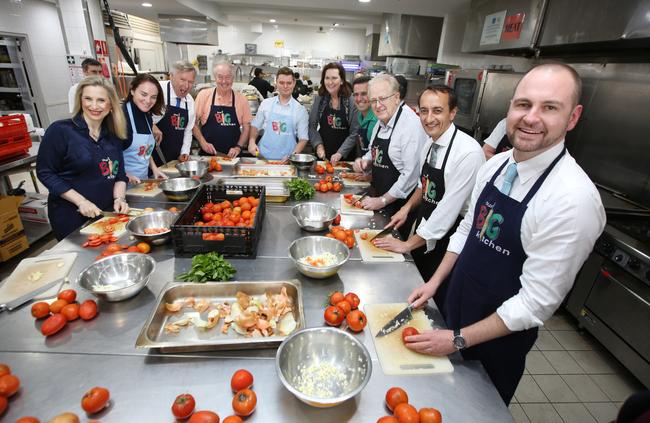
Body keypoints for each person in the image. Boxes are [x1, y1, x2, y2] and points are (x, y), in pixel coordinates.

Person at [405, 63, 606, 405]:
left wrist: (458, 339)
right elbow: (469, 228)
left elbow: (535, 304)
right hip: (454, 308)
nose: (531, 117)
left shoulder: (573, 200)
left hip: (495, 342)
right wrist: (436, 282)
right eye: (524, 104)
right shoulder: (496, 166)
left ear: (573, 118)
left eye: (550, 107)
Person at [374, 86, 485, 292]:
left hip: (451, 240)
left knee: (437, 296)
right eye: (424, 111)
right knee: (416, 285)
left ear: (452, 112)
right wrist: (405, 210)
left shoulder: (467, 153)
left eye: (437, 110)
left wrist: (407, 244)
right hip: (426, 230)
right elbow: (422, 185)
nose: (428, 118)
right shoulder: (430, 143)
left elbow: (447, 211)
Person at [37, 76, 130, 240]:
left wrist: (119, 198)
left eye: (101, 100)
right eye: (88, 99)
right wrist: (81, 201)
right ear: (80, 100)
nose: (94, 106)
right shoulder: (61, 131)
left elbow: (119, 174)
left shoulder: (113, 136)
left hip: (105, 212)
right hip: (70, 215)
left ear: (111, 105)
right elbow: (45, 172)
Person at [352, 73, 427, 239]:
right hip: (380, 196)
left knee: (389, 248)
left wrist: (383, 200)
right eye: (373, 100)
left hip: (401, 205)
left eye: (382, 98)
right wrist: (364, 161)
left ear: (396, 97)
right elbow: (373, 150)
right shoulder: (382, 120)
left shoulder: (410, 127)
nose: (377, 105)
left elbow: (411, 176)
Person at [248, 67, 309, 161]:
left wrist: (292, 157)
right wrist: (251, 141)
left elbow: (303, 139)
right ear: (276, 83)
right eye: (281, 83)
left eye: (288, 83)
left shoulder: (300, 110)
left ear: (294, 83)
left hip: (287, 161)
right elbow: (255, 126)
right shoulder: (266, 104)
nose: (285, 86)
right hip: (263, 159)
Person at [193, 61, 252, 157]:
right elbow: (193, 123)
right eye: (220, 77)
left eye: (228, 77)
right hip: (208, 156)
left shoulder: (242, 99)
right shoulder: (204, 95)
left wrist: (238, 147)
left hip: (233, 157)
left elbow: (246, 128)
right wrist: (203, 143)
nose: (224, 81)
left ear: (233, 78)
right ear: (214, 78)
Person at [309, 62, 360, 164]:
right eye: (327, 78)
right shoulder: (320, 99)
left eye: (334, 78)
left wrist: (340, 153)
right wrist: (318, 145)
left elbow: (355, 132)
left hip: (345, 158)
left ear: (341, 80)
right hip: (323, 156)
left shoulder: (351, 101)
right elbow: (312, 127)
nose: (330, 82)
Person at [122, 73, 167, 183]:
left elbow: (144, 150)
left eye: (153, 97)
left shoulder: (147, 116)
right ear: (132, 90)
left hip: (142, 183)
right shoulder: (121, 117)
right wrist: (125, 175)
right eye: (143, 94)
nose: (148, 101)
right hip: (122, 185)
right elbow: (110, 157)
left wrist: (154, 168)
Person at [151, 60, 197, 165]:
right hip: (152, 158)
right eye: (183, 80)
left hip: (174, 161)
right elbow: (138, 112)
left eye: (190, 82)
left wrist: (184, 152)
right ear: (171, 76)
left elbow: (188, 130)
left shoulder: (189, 101)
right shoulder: (157, 90)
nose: (186, 86)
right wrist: (151, 124)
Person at [352, 76, 378, 156]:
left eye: (364, 94)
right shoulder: (359, 115)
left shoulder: (377, 121)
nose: (359, 99)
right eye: (356, 94)